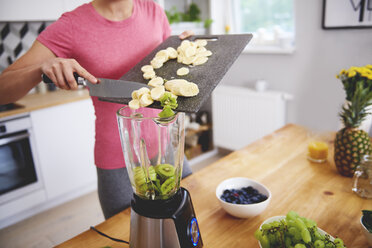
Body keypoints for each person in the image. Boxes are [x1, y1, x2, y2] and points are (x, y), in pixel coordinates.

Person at [0, 0, 193, 219]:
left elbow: (165, 74)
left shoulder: (154, 11)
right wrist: (40, 68)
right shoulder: (72, 25)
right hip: (119, 159)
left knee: (183, 228)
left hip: (167, 146)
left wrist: (185, 50)